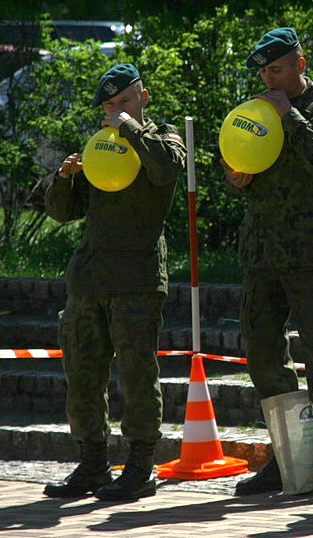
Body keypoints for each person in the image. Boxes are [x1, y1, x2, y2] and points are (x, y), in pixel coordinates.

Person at [223, 27, 313, 500]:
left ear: (300, 63)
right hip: (260, 252)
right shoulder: (256, 110)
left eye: (276, 68)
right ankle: (287, 456)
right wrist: (235, 175)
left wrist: (290, 117)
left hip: (307, 253)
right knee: (262, 354)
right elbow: (241, 161)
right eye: (264, 71)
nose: (269, 79)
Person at [43, 63, 186, 501]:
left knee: (137, 375)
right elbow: (63, 212)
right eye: (109, 105)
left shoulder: (165, 139)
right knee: (82, 373)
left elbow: (165, 171)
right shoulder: (101, 149)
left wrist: (129, 129)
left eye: (123, 101)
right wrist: (64, 179)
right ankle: (92, 464)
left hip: (136, 278)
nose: (115, 111)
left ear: (144, 98)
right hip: (89, 277)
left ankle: (141, 466)